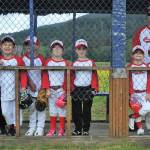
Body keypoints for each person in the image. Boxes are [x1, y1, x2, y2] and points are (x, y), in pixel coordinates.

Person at [42, 40, 70, 137]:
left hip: (61, 89)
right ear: (51, 50)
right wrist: (47, 89)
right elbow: (45, 76)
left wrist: (66, 91)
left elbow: (68, 77)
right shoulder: (48, 62)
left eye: (59, 47)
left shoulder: (66, 63)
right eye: (55, 47)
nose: (57, 49)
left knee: (62, 110)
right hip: (51, 90)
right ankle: (52, 129)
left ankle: (62, 129)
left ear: (63, 50)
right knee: (52, 110)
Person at [0, 35, 27, 136]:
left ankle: (16, 128)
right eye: (5, 45)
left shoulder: (18, 60)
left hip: (16, 89)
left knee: (17, 111)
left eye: (10, 45)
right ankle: (11, 125)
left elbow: (23, 74)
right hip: (4, 90)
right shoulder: (0, 59)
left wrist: (23, 86)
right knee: (5, 112)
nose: (7, 47)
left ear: (14, 47)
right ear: (1, 47)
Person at [71, 39, 99, 136]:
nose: (81, 51)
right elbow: (71, 77)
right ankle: (78, 129)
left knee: (87, 110)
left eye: (83, 49)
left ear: (86, 50)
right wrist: (71, 88)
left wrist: (94, 88)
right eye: (79, 49)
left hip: (88, 88)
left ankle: (86, 129)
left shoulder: (91, 62)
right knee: (76, 110)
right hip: (77, 88)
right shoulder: (74, 63)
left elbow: (95, 76)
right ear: (76, 50)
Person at [22, 36, 46, 136]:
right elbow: (23, 72)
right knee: (31, 107)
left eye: (32, 44)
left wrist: (43, 85)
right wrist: (29, 82)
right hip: (29, 87)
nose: (29, 46)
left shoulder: (41, 58)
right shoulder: (24, 58)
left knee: (41, 107)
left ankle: (40, 127)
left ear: (37, 45)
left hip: (40, 87)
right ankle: (32, 127)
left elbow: (44, 73)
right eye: (27, 44)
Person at [128, 45, 150, 135]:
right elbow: (128, 81)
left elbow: (149, 80)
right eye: (136, 53)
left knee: (148, 108)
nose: (138, 55)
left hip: (144, 93)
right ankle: (140, 128)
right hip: (134, 93)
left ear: (143, 55)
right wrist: (131, 93)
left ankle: (133, 117)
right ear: (132, 55)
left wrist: (148, 92)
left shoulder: (146, 66)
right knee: (136, 107)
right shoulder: (130, 66)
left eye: (141, 53)